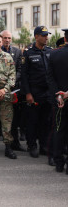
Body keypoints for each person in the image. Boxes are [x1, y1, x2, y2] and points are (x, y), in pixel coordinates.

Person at [21, 26, 54, 162]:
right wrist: (28, 94)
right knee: (32, 121)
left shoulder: (50, 51)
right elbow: (24, 76)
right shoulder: (28, 54)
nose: (46, 37)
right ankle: (32, 145)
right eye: (44, 35)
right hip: (34, 93)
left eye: (47, 35)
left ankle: (43, 146)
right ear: (36, 37)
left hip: (48, 93)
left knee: (45, 121)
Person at [0, 30, 25, 152]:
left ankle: (15, 143)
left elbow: (20, 69)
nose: (7, 40)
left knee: (14, 118)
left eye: (9, 38)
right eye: (5, 38)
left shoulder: (17, 51)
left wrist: (13, 81)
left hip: (13, 90)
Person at [47, 28, 68, 173]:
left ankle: (58, 162)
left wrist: (59, 95)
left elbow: (49, 77)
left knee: (59, 130)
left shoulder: (54, 54)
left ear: (65, 39)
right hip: (64, 97)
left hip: (59, 100)